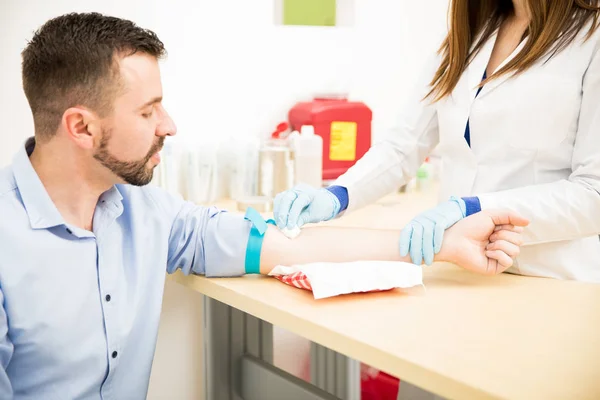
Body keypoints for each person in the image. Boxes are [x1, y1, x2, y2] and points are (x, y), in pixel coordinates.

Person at [0, 12, 527, 399]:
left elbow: (285, 246)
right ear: (82, 127)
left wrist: (441, 245)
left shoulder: (147, 213)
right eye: (148, 110)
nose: (169, 125)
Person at [275, 0, 600, 282]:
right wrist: (337, 196)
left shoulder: (591, 35)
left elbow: (593, 193)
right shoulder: (472, 33)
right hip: (461, 267)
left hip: (551, 275)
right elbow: (404, 146)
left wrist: (475, 208)